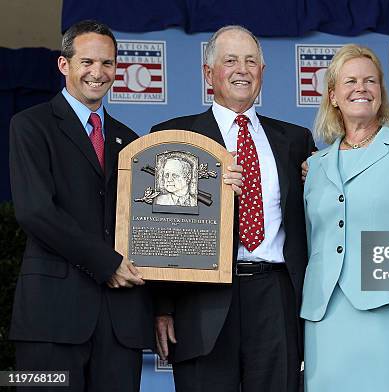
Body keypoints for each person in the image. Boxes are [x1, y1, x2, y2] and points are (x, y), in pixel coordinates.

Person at [152, 25, 315, 392]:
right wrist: (162, 307)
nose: (242, 69)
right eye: (230, 61)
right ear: (209, 74)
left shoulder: (296, 140)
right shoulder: (175, 138)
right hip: (201, 298)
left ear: (262, 72)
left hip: (276, 297)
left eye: (250, 61)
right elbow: (159, 232)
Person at [8, 20, 153, 391]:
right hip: (50, 319)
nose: (97, 73)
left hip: (120, 323)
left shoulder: (130, 141)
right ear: (64, 65)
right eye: (87, 62)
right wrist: (108, 264)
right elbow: (35, 210)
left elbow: (147, 221)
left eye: (107, 64)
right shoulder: (30, 126)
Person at [300, 44, 389, 391]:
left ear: (381, 92)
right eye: (350, 81)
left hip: (386, 312)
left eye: (370, 81)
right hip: (324, 314)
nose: (360, 88)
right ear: (333, 96)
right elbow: (310, 239)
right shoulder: (315, 165)